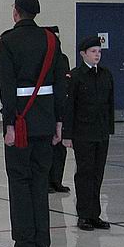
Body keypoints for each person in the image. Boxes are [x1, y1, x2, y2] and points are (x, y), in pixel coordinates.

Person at [0, 0, 66, 247]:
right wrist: (59, 121)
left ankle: (24, 243)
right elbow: (60, 84)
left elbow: (7, 87)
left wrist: (9, 124)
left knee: (19, 181)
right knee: (39, 182)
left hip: (21, 123)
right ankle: (41, 242)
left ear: (16, 12)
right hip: (45, 121)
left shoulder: (7, 41)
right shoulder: (51, 40)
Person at [62, 35, 114, 231]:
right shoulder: (75, 76)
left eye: (99, 51)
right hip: (83, 132)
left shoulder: (106, 75)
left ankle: (95, 214)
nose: (97, 55)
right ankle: (84, 215)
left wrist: (109, 128)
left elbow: (109, 103)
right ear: (83, 54)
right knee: (85, 173)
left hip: (101, 131)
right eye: (93, 51)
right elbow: (69, 106)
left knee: (98, 173)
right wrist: (67, 134)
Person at [46, 26, 71, 193]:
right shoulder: (44, 58)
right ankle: (46, 181)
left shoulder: (63, 58)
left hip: (62, 105)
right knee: (48, 146)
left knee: (60, 148)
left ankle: (57, 180)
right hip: (49, 105)